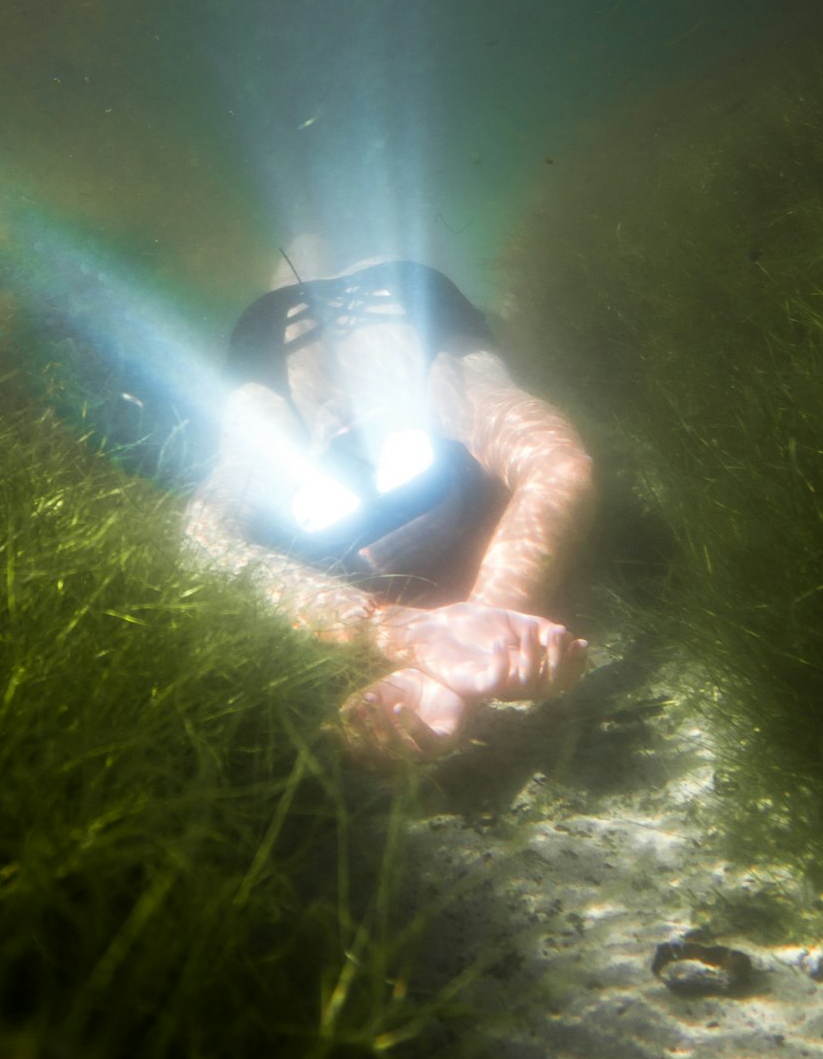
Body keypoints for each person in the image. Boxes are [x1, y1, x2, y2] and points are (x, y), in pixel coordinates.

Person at [182, 237, 595, 763]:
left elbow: (207, 538)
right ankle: (313, 228)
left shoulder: (278, 423)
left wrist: (429, 647)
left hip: (318, 333)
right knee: (342, 246)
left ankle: (306, 230)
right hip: (391, 310)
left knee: (308, 251)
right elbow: (557, 464)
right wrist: (432, 636)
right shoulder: (443, 392)